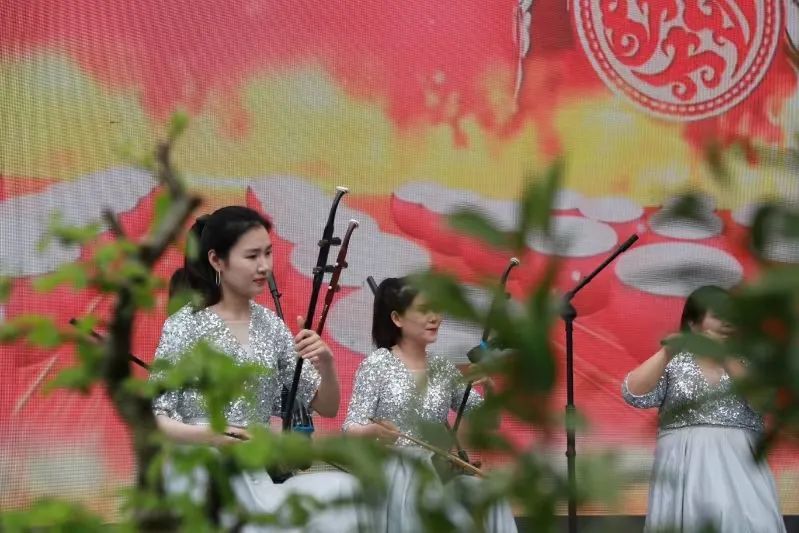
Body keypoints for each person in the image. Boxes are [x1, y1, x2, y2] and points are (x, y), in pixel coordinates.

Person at [151, 206, 366, 531]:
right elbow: (155, 417)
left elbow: (327, 406)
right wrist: (211, 436)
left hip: (255, 473)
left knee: (344, 489)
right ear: (217, 260)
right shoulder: (184, 326)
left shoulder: (272, 326)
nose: (264, 266)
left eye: (268, 253)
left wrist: (326, 363)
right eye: (252, 256)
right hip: (201, 468)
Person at [343, 277, 518, 532]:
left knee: (490, 495)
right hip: (394, 471)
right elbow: (349, 428)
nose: (435, 317)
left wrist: (489, 388)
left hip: (436, 470)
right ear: (397, 319)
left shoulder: (442, 367)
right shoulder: (377, 364)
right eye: (424, 310)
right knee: (431, 499)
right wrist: (374, 431)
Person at [622, 285, 785, 532]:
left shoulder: (749, 361)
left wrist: (723, 355)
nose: (728, 322)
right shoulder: (673, 362)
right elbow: (633, 394)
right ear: (693, 324)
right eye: (718, 316)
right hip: (683, 463)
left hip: (739, 466)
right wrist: (666, 353)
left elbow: (764, 401)